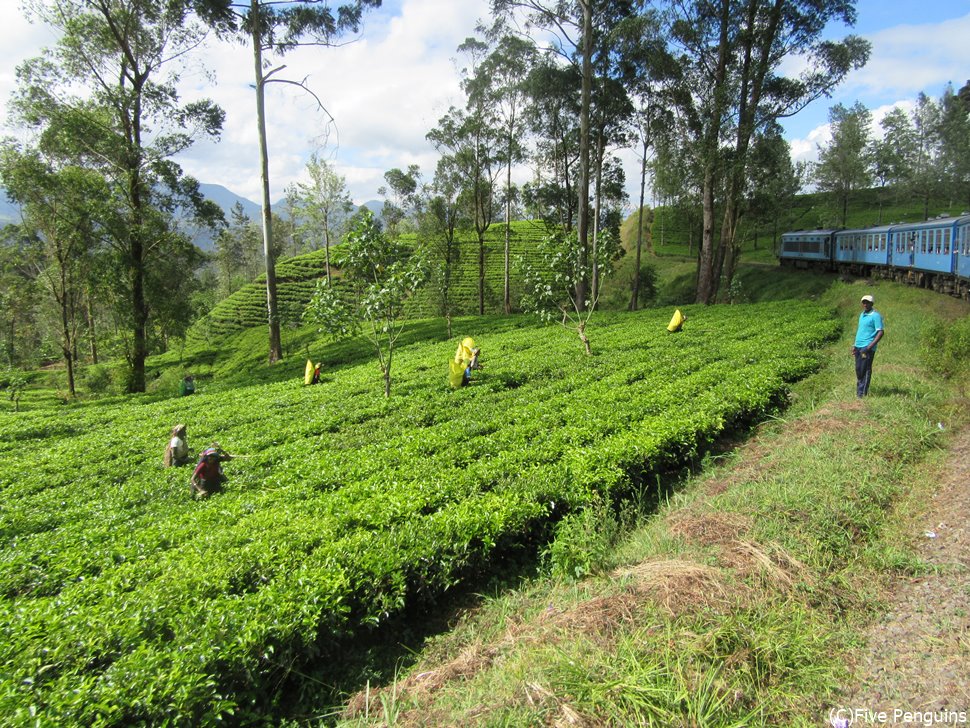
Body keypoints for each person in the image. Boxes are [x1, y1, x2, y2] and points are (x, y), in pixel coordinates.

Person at [852, 294, 884, 398]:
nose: (865, 304)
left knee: (865, 370)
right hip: (858, 346)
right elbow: (860, 331)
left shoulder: (875, 315)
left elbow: (880, 332)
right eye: (864, 302)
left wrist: (869, 347)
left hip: (867, 347)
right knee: (859, 369)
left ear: (872, 303)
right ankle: (859, 392)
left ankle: (861, 394)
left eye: (867, 302)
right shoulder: (862, 315)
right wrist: (855, 345)